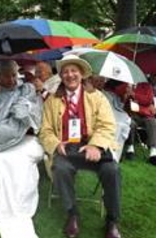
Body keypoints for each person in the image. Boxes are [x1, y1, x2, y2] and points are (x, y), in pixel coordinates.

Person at [39, 55, 121, 238]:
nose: (70, 75)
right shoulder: (52, 101)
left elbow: (107, 125)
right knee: (60, 169)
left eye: (74, 70)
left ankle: (112, 220)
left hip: (92, 150)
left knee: (112, 170)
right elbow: (44, 130)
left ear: (81, 74)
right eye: (66, 71)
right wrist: (55, 143)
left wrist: (96, 146)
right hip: (67, 150)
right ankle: (72, 214)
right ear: (61, 75)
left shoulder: (97, 97)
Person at [0, 60, 44, 238]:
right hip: (0, 139)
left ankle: (21, 206)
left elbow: (34, 109)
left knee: (22, 162)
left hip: (25, 137)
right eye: (6, 75)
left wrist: (24, 108)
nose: (11, 79)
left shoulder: (26, 89)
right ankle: (3, 206)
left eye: (13, 75)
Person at [88, 76, 131, 162]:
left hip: (109, 118)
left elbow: (118, 108)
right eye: (97, 81)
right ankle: (109, 153)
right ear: (91, 81)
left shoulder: (109, 94)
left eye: (102, 81)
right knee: (115, 125)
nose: (100, 83)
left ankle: (115, 156)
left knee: (122, 124)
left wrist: (125, 99)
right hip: (94, 119)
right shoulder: (88, 93)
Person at [123, 82, 156, 165]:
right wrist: (126, 97)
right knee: (130, 123)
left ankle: (153, 152)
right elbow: (122, 103)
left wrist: (134, 95)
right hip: (130, 114)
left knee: (154, 122)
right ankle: (130, 149)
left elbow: (148, 100)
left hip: (145, 114)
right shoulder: (124, 85)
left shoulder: (145, 85)